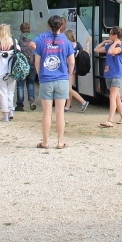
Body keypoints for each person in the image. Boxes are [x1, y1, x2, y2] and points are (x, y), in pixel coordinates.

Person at [33, 15, 75, 149]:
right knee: (60, 113)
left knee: (46, 113)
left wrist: (40, 74)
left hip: (46, 79)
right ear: (61, 26)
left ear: (49, 25)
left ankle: (45, 142)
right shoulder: (67, 42)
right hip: (62, 79)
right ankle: (60, 141)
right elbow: (72, 62)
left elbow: (37, 61)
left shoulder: (42, 41)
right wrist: (68, 74)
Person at [95, 26, 122, 127]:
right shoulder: (111, 45)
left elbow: (111, 52)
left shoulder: (120, 47)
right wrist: (104, 42)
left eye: (110, 34)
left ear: (115, 35)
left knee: (112, 97)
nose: (109, 35)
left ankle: (110, 120)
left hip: (117, 74)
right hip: (109, 74)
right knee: (116, 97)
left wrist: (116, 43)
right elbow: (96, 49)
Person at [0, 24, 20, 122]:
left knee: (2, 92)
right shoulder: (14, 41)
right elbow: (19, 52)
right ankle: (11, 110)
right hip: (11, 70)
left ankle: (5, 114)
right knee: (10, 92)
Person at [64, 29, 89, 113]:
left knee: (67, 88)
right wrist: (88, 44)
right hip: (74, 68)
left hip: (67, 68)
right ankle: (67, 107)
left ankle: (83, 102)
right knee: (69, 88)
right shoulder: (77, 44)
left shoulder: (66, 45)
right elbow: (84, 53)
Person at [15, 22, 37, 112]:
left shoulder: (18, 38)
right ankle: (31, 100)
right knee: (30, 83)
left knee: (20, 85)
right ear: (29, 28)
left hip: (22, 65)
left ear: (21, 29)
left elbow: (15, 51)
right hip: (32, 64)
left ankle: (20, 105)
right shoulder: (34, 38)